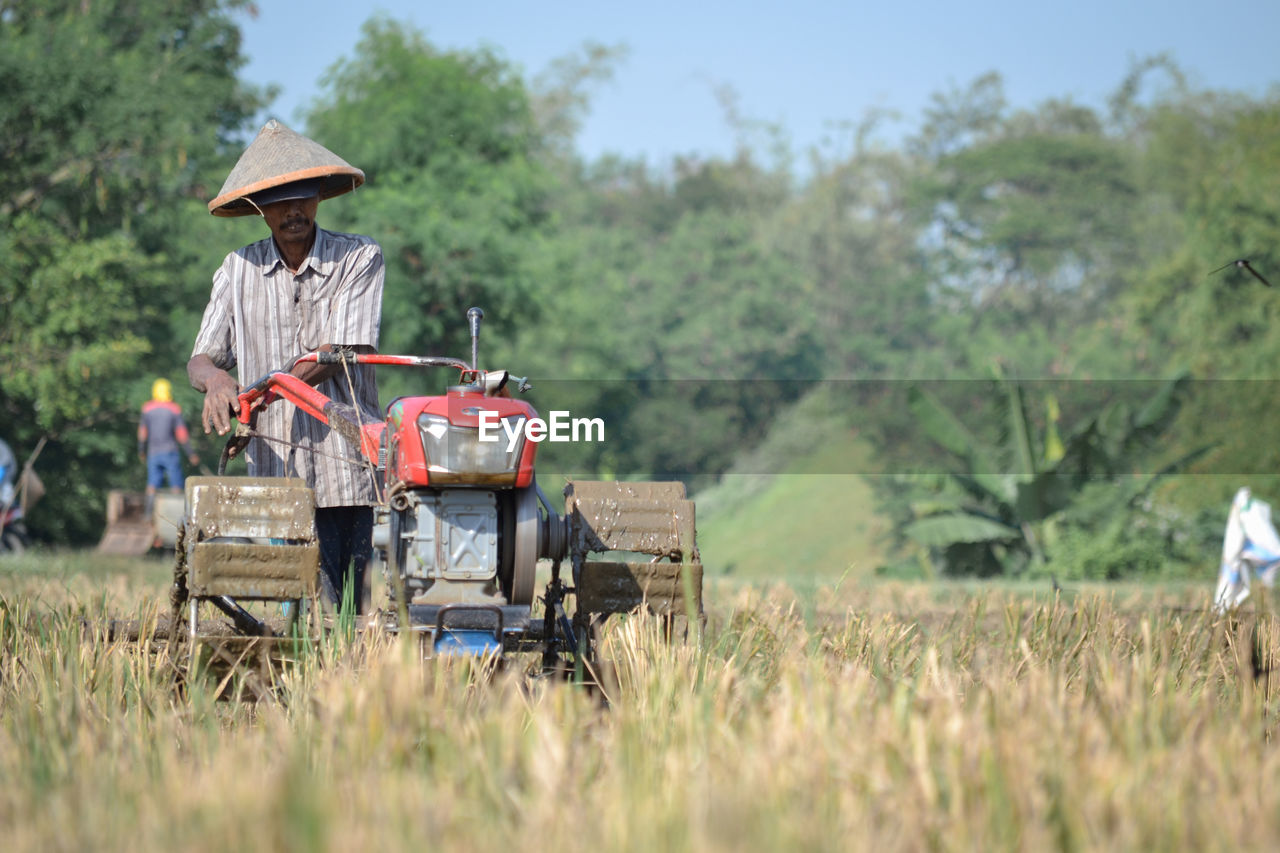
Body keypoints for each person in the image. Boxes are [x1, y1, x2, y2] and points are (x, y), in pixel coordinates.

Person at [187, 119, 384, 613]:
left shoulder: (358, 257)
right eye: (279, 199)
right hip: (276, 467)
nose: (293, 210)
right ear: (259, 208)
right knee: (290, 608)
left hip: (348, 467)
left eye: (303, 196)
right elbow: (201, 357)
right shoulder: (238, 268)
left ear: (319, 197)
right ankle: (292, 686)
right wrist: (216, 381)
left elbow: (341, 350)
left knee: (345, 612)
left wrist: (267, 388)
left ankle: (345, 682)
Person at [138, 378, 199, 515]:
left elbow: (142, 432)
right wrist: (191, 453)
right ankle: (177, 515)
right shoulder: (174, 409)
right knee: (176, 485)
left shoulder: (147, 409)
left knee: (152, 485)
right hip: (170, 452)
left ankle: (148, 515)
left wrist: (141, 449)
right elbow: (181, 433)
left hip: (153, 452)